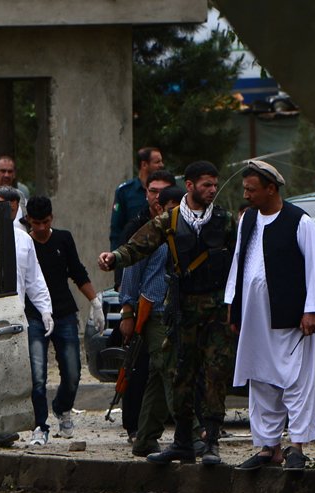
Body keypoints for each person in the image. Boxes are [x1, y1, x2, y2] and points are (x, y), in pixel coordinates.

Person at [98, 160, 237, 466]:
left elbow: (240, 260)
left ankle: (210, 443)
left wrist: (235, 306)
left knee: (214, 375)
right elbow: (138, 246)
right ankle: (183, 443)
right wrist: (114, 258)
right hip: (182, 309)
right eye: (206, 185)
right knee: (180, 375)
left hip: (216, 312)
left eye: (215, 184)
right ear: (190, 186)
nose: (213, 190)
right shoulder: (170, 220)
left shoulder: (224, 221)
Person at [226, 160, 315, 470]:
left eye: (252, 189)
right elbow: (238, 263)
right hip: (255, 320)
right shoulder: (248, 221)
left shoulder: (300, 221)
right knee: (261, 380)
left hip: (290, 319)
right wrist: (232, 303)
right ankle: (268, 448)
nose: (247, 195)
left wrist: (312, 310)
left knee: (296, 381)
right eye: (245, 189)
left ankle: (296, 446)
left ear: (271, 189)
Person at [22, 196, 105, 445]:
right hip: (34, 314)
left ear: (52, 219)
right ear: (28, 221)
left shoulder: (63, 239)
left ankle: (62, 407)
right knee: (38, 375)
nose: (41, 228)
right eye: (36, 223)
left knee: (72, 372)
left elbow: (77, 272)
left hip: (64, 312)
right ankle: (39, 424)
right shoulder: (24, 243)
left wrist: (95, 302)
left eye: (45, 222)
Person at [0, 185, 53, 447]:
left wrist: (45, 309)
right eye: (1, 206)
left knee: (27, 374)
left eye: (10, 208)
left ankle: (34, 426)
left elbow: (34, 279)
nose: (6, 212)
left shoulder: (23, 240)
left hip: (15, 316)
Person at [120, 185, 184, 457]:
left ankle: (145, 437)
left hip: (179, 311)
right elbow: (131, 274)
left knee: (159, 376)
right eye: (167, 207)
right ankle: (189, 435)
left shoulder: (187, 234)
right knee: (170, 371)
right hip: (154, 311)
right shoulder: (149, 235)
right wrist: (127, 312)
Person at [109, 147, 164, 287]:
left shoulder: (169, 190)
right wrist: (117, 264)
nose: (161, 165)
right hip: (133, 257)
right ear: (144, 164)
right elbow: (117, 231)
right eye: (157, 162)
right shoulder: (125, 191)